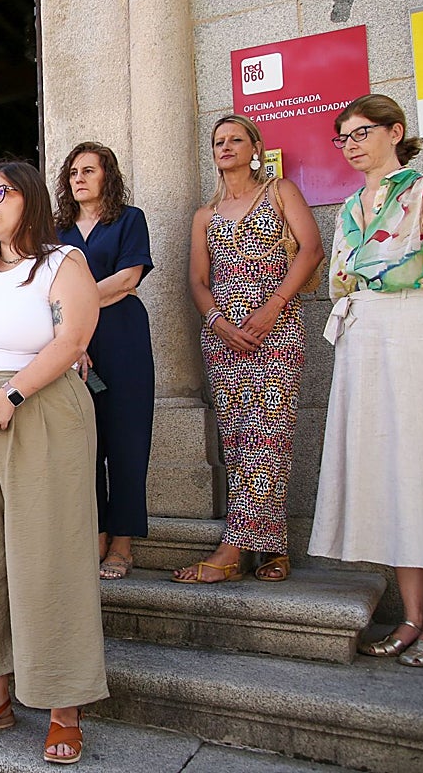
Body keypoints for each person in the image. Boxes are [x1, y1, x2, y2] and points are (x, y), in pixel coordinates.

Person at [0, 162, 105, 765]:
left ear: (29, 200)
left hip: (38, 403)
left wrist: (12, 395)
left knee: (49, 550)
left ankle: (63, 706)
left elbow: (72, 340)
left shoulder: (63, 262)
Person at [309, 94, 423, 667]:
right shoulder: (350, 207)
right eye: (344, 137)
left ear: (395, 131)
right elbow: (340, 283)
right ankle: (411, 617)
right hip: (364, 336)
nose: (352, 144)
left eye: (361, 132)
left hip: (417, 328)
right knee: (389, 472)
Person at [181, 116, 323, 584]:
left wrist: (273, 307)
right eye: (218, 141)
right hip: (224, 338)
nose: (225, 147)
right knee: (241, 443)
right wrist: (217, 321)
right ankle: (272, 549)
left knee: (269, 437)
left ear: (255, 146)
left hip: (277, 329)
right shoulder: (206, 214)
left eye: (235, 139)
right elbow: (199, 282)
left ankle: (229, 550)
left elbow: (311, 250)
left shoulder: (280, 192)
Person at [54, 143, 154, 580]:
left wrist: (77, 300)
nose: (79, 178)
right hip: (73, 344)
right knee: (83, 441)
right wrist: (70, 335)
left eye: (88, 170)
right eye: (73, 171)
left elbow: (129, 278)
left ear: (106, 175)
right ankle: (92, 534)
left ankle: (123, 542)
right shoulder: (56, 232)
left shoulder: (129, 219)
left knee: (127, 441)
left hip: (123, 338)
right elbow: (47, 290)